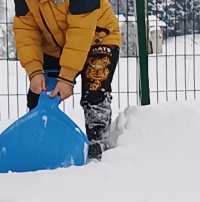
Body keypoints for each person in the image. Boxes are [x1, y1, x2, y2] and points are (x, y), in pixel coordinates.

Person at [12, 0, 121, 161]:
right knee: (39, 95)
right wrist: (34, 71)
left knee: (94, 91)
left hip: (98, 38)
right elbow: (26, 29)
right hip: (56, 47)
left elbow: (81, 30)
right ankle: (42, 148)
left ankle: (98, 148)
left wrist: (66, 77)